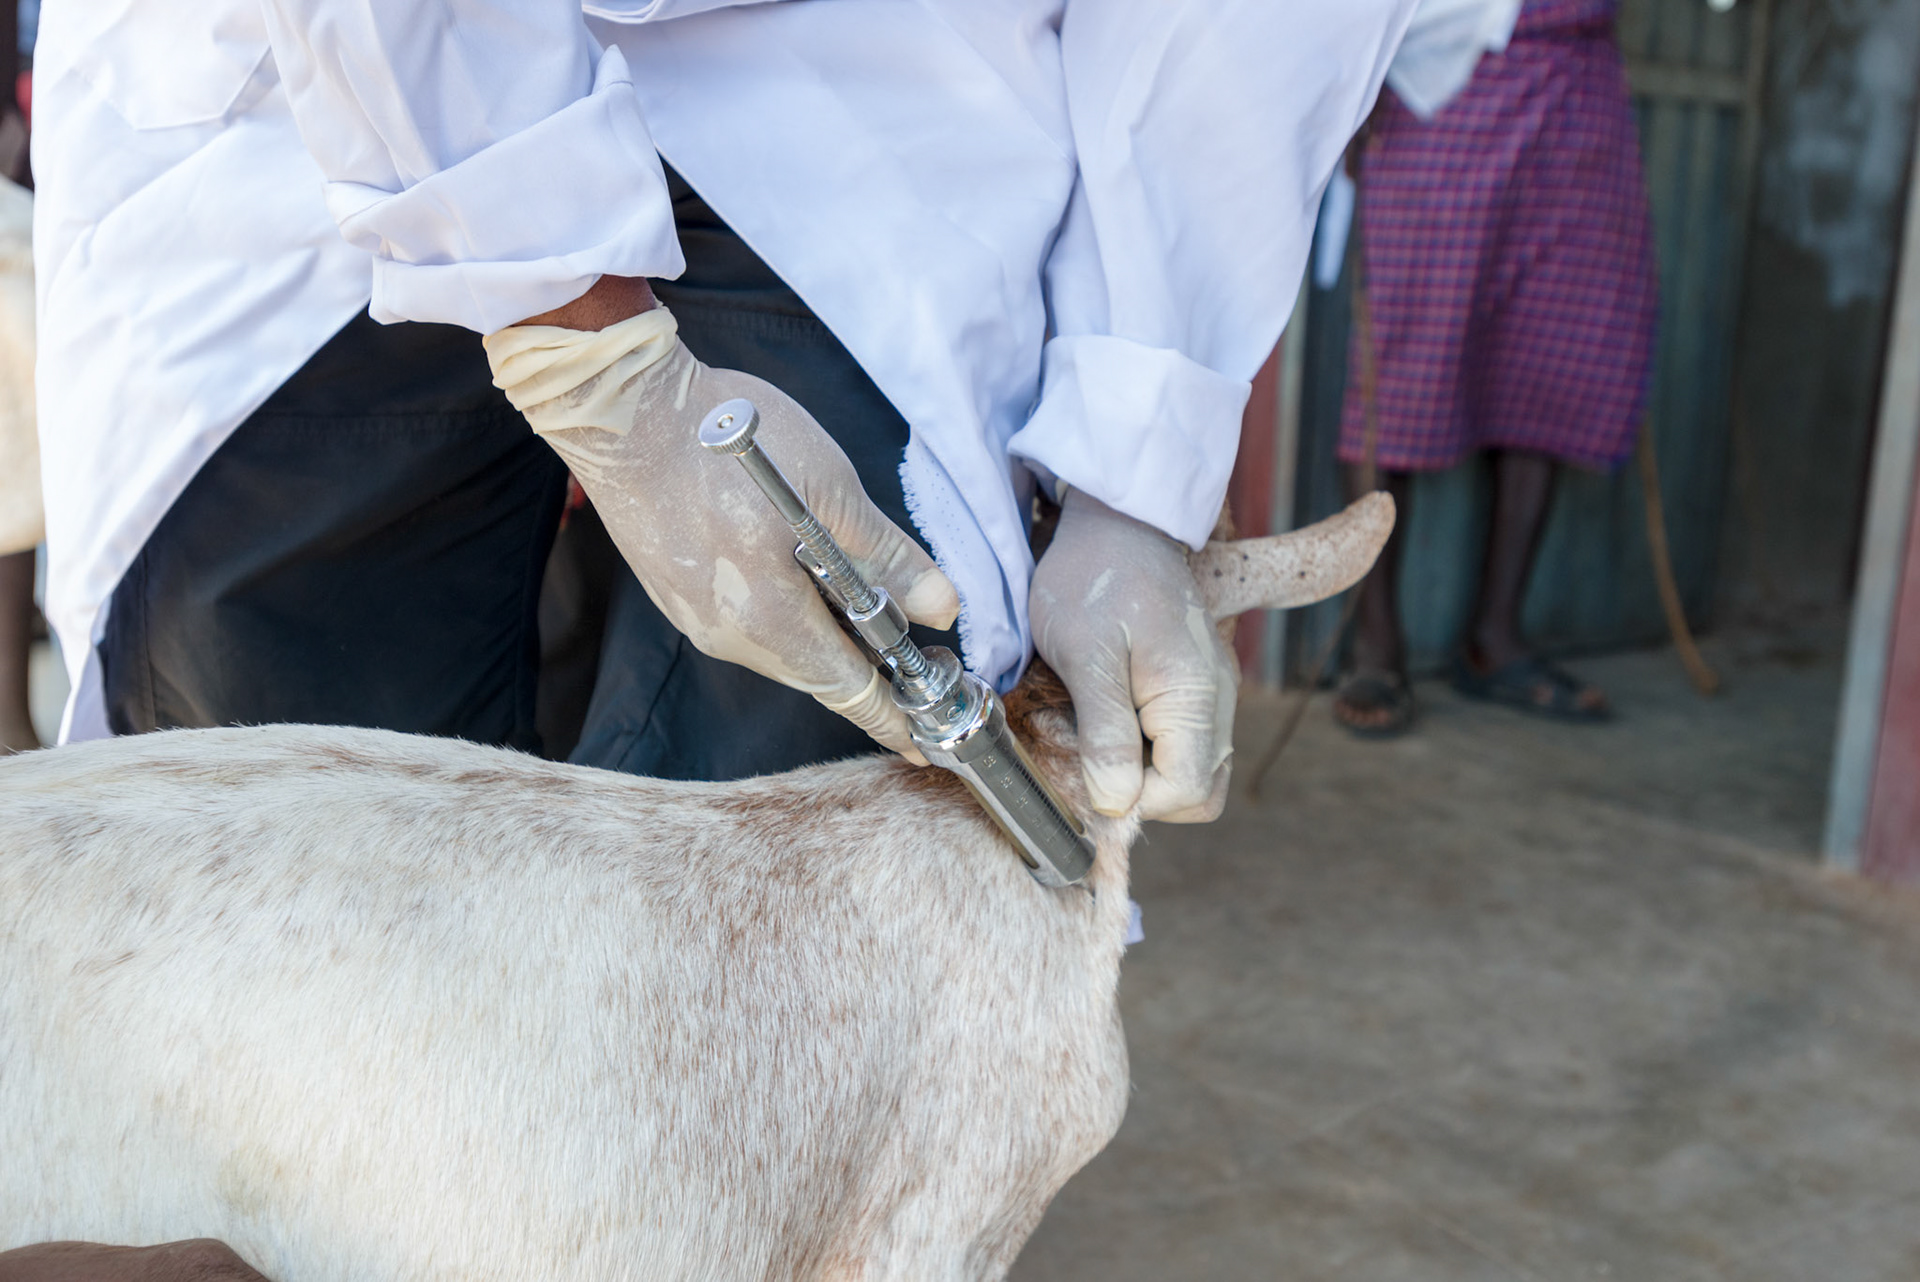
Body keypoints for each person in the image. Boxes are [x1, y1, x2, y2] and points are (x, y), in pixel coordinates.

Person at [35, 0, 1416, 813]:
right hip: (327, 86)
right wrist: (584, 338)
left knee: (789, 929)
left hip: (886, 92)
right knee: (275, 862)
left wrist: (1132, 454)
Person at [1330, 0, 1658, 736]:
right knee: (1404, 368)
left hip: (1580, 86)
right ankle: (1377, 646)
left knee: (1552, 350)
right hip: (1443, 86)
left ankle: (1495, 639)